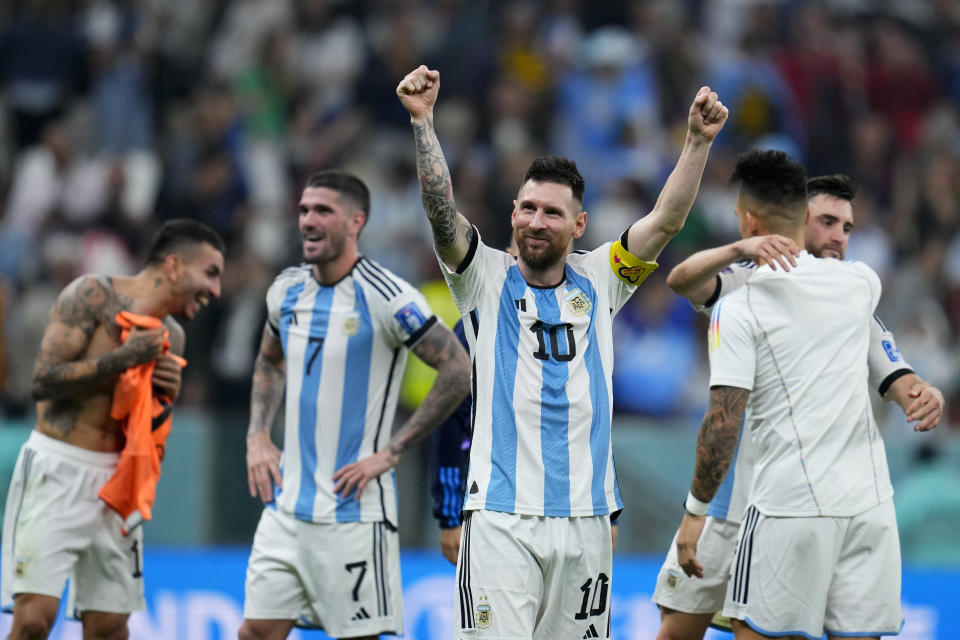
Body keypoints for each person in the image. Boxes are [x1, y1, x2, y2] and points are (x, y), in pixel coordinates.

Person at [396, 63, 728, 639]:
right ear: (512, 215)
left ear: (579, 225)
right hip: (500, 519)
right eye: (527, 208)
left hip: (587, 524)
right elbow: (440, 211)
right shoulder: (482, 278)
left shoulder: (602, 279)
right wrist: (423, 122)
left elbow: (667, 220)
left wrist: (697, 143)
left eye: (552, 212)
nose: (536, 221)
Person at [652, 174, 945, 640]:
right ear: (796, 221)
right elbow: (681, 280)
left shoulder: (851, 300)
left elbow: (891, 370)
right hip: (731, 500)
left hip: (789, 505)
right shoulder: (747, 284)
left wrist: (921, 390)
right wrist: (740, 249)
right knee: (677, 629)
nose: (838, 237)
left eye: (847, 228)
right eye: (827, 222)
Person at [239, 170, 471, 640]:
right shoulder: (286, 290)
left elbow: (458, 370)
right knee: (256, 632)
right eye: (304, 209)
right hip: (287, 507)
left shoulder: (387, 296)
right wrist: (257, 434)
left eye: (323, 211)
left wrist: (393, 450)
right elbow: (268, 361)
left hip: (354, 513)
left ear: (355, 222)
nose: (308, 220)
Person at [1, 219, 225, 640]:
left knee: (109, 628)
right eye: (210, 273)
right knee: (33, 621)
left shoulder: (172, 337)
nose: (215, 290)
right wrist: (120, 359)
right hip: (58, 468)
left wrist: (164, 402)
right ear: (174, 266)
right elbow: (42, 380)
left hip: (118, 484)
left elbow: (147, 433)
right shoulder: (91, 295)